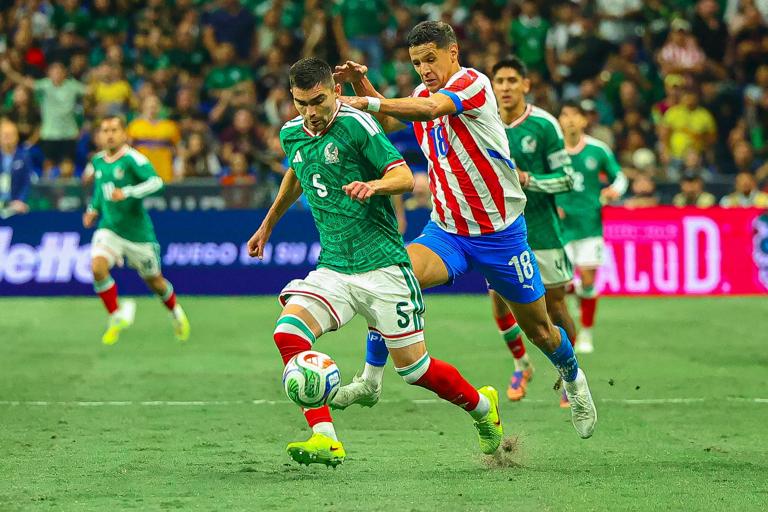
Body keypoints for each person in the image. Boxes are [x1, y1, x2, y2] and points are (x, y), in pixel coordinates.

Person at [332, 21, 596, 439]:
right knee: (391, 278)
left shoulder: (473, 83)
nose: (424, 69)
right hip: (447, 232)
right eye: (416, 62)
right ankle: (370, 379)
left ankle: (574, 378)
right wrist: (364, 87)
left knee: (541, 330)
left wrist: (365, 101)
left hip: (501, 236)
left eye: (430, 59)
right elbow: (397, 117)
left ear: (452, 53)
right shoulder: (421, 95)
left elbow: (429, 110)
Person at [246, 57, 503, 467]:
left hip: (384, 267)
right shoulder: (292, 133)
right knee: (287, 334)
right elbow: (297, 171)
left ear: (335, 91)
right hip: (334, 267)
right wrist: (267, 224)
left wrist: (374, 186)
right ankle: (325, 437)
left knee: (415, 370)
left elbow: (404, 177)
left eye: (318, 101)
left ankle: (482, 407)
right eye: (301, 104)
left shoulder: (358, 125)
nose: (310, 113)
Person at [487, 56, 577, 406]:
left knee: (555, 307)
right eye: (500, 81)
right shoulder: (484, 121)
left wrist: (528, 179)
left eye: (512, 80)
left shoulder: (544, 125)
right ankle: (522, 365)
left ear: (525, 84)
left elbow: (567, 179)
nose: (505, 87)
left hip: (542, 231)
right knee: (499, 303)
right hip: (500, 231)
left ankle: (570, 376)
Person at [83, 115, 190, 345]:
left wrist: (128, 192)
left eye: (114, 130)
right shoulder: (98, 161)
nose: (110, 135)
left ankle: (176, 312)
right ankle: (115, 315)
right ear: (100, 135)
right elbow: (100, 189)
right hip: (109, 229)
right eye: (105, 130)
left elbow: (156, 183)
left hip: (138, 235)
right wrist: (93, 209)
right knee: (97, 268)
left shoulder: (133, 158)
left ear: (124, 134)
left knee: (155, 282)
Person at [557, 102, 628, 354]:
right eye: (565, 115)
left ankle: (586, 333)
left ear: (584, 121)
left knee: (588, 281)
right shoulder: (552, 149)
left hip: (589, 226)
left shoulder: (597, 150)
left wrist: (613, 191)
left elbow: (620, 177)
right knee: (560, 285)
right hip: (559, 227)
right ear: (560, 120)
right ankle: (568, 331)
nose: (570, 120)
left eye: (575, 115)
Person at [127, 95, 181, 182]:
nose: (152, 109)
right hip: (142, 173)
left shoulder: (170, 126)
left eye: (155, 106)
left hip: (165, 173)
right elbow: (127, 150)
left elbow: (179, 150)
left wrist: (179, 168)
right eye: (149, 106)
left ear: (159, 108)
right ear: (143, 107)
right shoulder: (134, 126)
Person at [0, 120, 34, 218]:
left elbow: (26, 182)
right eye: (5, 135)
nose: (7, 138)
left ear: (17, 137)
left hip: (16, 204)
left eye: (10, 135)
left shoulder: (24, 156)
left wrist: (20, 200)